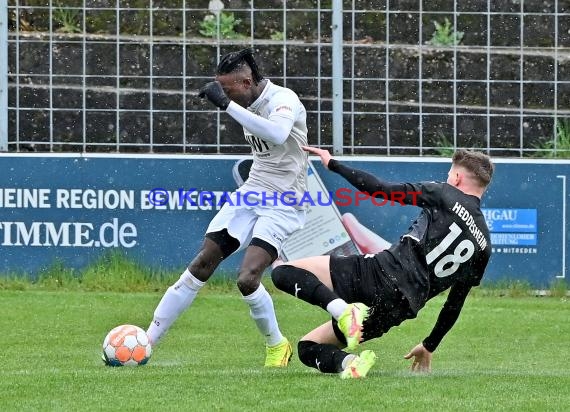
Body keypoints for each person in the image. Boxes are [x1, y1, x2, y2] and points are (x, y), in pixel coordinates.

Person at [144, 48, 309, 367]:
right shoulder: (245, 99)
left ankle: (277, 345)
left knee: (247, 278)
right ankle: (147, 341)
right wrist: (230, 101)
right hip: (252, 193)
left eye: (229, 89)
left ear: (247, 82)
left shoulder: (283, 99)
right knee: (203, 263)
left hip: (285, 201)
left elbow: (276, 133)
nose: (225, 96)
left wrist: (226, 103)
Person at [271, 146, 494, 378]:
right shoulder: (484, 246)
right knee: (307, 347)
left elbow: (379, 190)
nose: (447, 178)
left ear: (457, 177)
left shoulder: (445, 193)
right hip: (398, 308)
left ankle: (343, 311)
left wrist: (333, 164)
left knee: (282, 272)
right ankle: (351, 363)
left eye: (449, 173)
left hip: (378, 275)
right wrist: (429, 344)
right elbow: (454, 303)